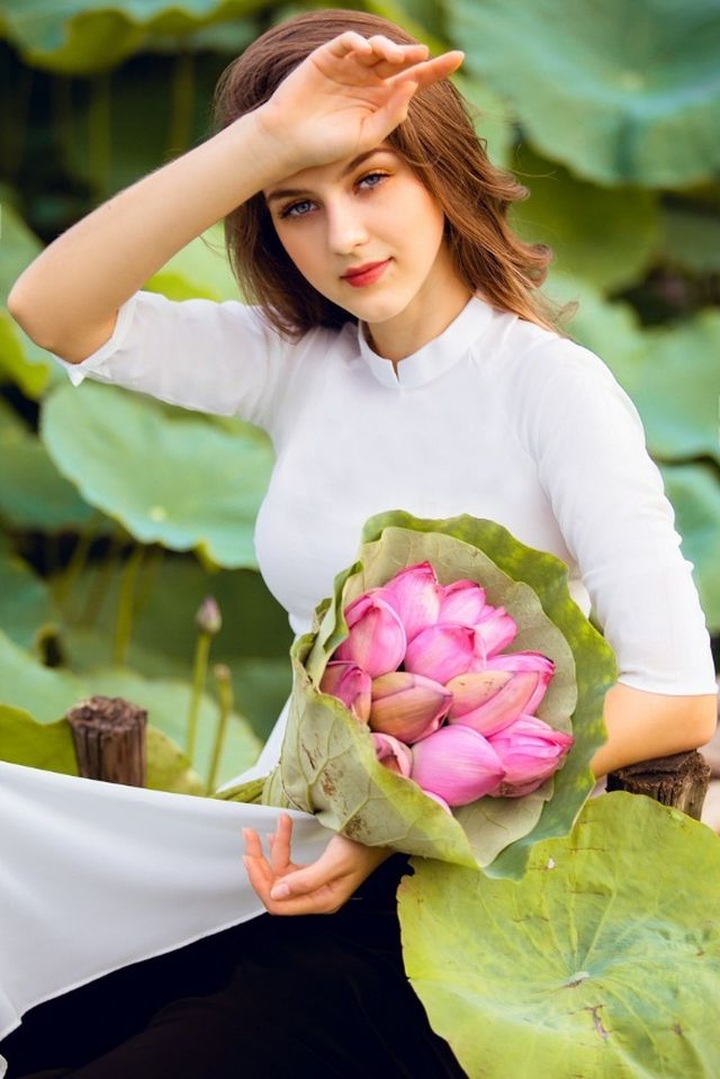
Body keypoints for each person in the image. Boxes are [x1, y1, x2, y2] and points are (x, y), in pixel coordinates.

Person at [2, 8, 717, 1077]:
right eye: (299, 203)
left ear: (444, 174)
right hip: (294, 847)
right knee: (48, 1014)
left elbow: (679, 691)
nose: (343, 237)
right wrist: (262, 141)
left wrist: (393, 821)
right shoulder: (298, 363)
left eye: (373, 179)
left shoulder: (550, 389)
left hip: (478, 889)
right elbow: (52, 310)